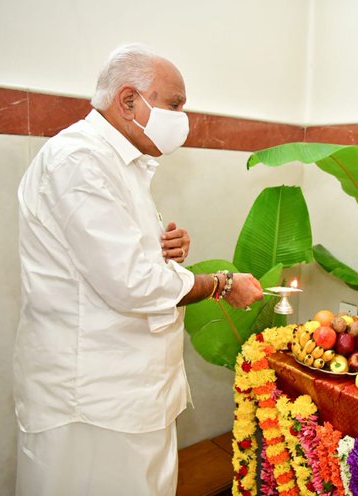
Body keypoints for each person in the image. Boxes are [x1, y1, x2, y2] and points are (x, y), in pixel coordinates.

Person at [14, 43, 263, 496]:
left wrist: (164, 248)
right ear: (128, 100)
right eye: (174, 105)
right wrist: (222, 284)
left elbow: (118, 257)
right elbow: (130, 283)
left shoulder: (121, 163)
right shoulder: (79, 161)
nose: (182, 119)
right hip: (92, 397)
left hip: (129, 389)